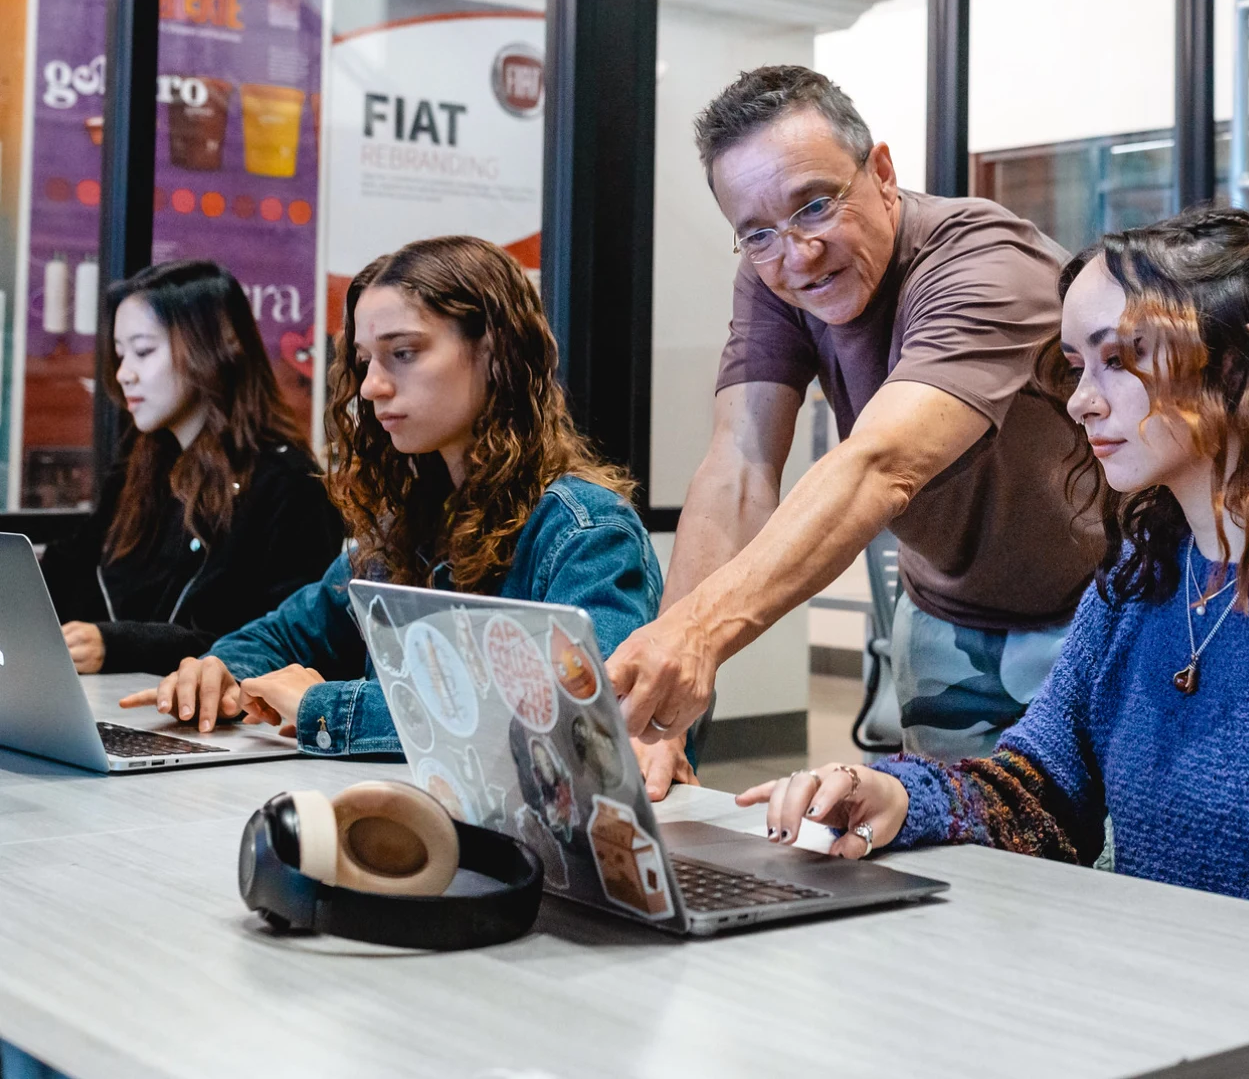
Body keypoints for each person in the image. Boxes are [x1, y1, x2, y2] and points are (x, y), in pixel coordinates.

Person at [739, 208, 1249, 1079]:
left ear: (1244, 364)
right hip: (1144, 1017)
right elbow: (1042, 791)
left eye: (1120, 360)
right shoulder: (1145, 574)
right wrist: (892, 796)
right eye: (1076, 365)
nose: (1080, 400)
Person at [609, 65, 1104, 795]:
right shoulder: (776, 272)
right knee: (961, 861)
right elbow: (739, 469)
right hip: (946, 617)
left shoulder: (986, 264)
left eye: (815, 206)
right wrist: (662, 716)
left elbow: (882, 465)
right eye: (758, 233)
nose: (798, 255)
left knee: (1101, 875)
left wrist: (699, 635)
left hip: (1094, 616)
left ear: (880, 171)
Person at [122, 236, 663, 757]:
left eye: (402, 353)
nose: (369, 387)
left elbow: (576, 720)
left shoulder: (586, 532)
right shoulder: (402, 528)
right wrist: (218, 670)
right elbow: (282, 633)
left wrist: (322, 706)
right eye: (364, 361)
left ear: (496, 353)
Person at [42, 260, 344, 676]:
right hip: (131, 706)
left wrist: (121, 644)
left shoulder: (287, 484)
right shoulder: (143, 466)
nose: (124, 373)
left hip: (221, 727)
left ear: (214, 347)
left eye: (144, 351)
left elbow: (284, 646)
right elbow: (68, 568)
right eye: (120, 354)